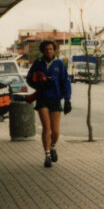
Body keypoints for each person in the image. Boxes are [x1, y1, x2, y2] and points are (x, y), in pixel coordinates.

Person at [26, 40, 72, 168]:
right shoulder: (38, 63)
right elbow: (29, 78)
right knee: (46, 128)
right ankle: (46, 156)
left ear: (54, 50)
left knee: (56, 131)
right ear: (43, 51)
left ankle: (52, 147)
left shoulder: (59, 64)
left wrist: (67, 99)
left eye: (51, 49)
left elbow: (66, 82)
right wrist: (38, 84)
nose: (49, 51)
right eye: (46, 49)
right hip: (42, 98)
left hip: (55, 99)